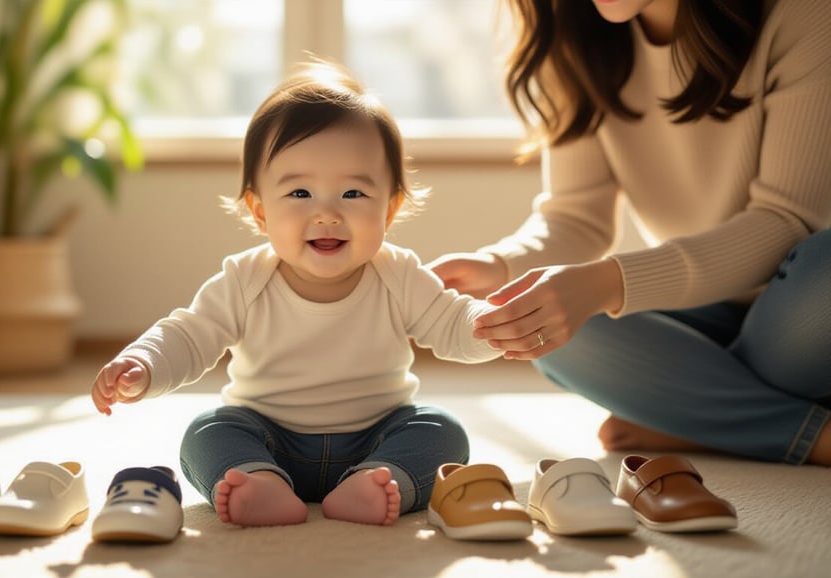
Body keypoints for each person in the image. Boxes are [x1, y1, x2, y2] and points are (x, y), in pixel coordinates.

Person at [91, 60, 503, 527]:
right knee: (205, 432)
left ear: (390, 209)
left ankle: (377, 481)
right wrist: (144, 363)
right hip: (268, 437)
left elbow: (452, 323)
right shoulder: (246, 279)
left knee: (443, 432)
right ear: (260, 210)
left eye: (352, 194)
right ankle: (260, 482)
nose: (326, 214)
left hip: (377, 434)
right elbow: (189, 335)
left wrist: (492, 326)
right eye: (300, 194)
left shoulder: (398, 274)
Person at [430, 0, 831, 466]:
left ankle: (702, 416)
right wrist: (499, 267)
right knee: (557, 333)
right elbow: (575, 219)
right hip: (708, 306)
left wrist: (607, 283)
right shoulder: (573, 34)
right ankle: (801, 430)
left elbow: (786, 222)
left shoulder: (806, 13)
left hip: (803, 299)